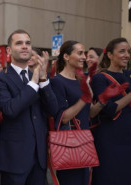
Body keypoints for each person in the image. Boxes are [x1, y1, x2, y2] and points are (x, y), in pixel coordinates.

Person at [0, 29, 58, 185]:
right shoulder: (0, 79)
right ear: (9, 50)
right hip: (14, 159)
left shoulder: (39, 76)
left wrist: (43, 79)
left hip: (39, 158)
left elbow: (54, 110)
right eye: (19, 43)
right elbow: (10, 110)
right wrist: (34, 81)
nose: (25, 46)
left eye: (28, 43)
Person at [51, 40, 95, 185]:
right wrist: (84, 99)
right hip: (70, 145)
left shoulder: (81, 81)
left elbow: (89, 114)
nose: (84, 57)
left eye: (85, 53)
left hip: (85, 142)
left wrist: (103, 101)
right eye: (80, 53)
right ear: (66, 56)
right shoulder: (58, 81)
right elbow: (62, 118)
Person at [91, 37, 131, 185]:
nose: (126, 55)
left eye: (128, 51)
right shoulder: (100, 78)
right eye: (122, 51)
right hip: (110, 140)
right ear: (109, 55)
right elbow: (109, 110)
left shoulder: (128, 76)